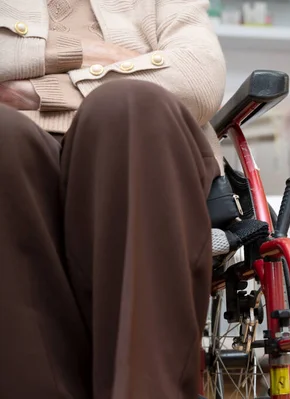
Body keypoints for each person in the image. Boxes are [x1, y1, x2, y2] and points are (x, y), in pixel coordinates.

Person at [0, 1, 226, 398]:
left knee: (128, 103)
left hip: (143, 152)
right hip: (19, 164)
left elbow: (197, 76)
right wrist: (80, 54)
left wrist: (40, 90)